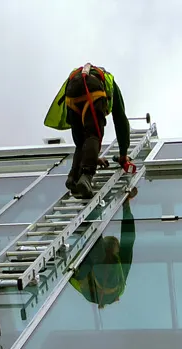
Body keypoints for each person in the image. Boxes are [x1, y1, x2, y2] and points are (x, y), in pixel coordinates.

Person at [45, 64, 132, 199]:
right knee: (94, 134)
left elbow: (82, 143)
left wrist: (92, 158)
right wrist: (123, 154)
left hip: (71, 93)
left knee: (80, 141)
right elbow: (120, 120)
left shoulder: (80, 74)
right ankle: (86, 177)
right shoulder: (110, 83)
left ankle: (73, 177)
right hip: (93, 92)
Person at [69, 191, 137, 308]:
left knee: (96, 251)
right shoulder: (117, 268)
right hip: (93, 279)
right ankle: (88, 214)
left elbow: (128, 240)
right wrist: (126, 205)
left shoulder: (116, 269)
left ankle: (89, 213)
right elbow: (128, 240)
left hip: (92, 278)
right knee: (94, 249)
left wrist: (126, 205)